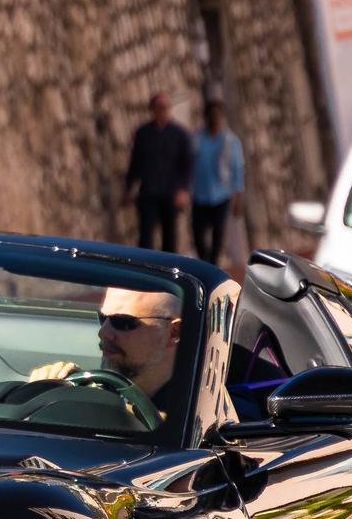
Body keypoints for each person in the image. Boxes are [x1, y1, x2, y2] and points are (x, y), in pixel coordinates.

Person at [25, 286, 186, 404]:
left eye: (122, 321)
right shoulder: (90, 389)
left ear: (173, 332)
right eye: (103, 318)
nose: (103, 332)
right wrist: (41, 396)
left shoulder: (190, 413)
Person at [118, 90, 193, 254]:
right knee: (145, 236)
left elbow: (187, 166)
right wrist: (128, 189)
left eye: (165, 107)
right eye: (158, 107)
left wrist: (183, 190)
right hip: (148, 192)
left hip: (170, 193)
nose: (162, 110)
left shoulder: (180, 135)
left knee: (169, 237)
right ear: (152, 109)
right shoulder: (143, 133)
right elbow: (135, 164)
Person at [190, 98, 244, 266]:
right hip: (199, 195)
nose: (214, 119)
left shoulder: (230, 141)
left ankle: (212, 266)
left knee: (218, 236)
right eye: (211, 115)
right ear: (205, 117)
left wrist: (238, 198)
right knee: (198, 235)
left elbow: (237, 169)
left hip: (221, 195)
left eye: (218, 115)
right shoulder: (196, 139)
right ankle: (205, 262)